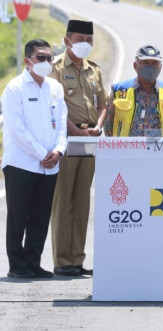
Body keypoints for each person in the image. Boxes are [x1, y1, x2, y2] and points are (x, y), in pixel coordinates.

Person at [1, 39, 68, 278]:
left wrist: (58, 150)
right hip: (21, 163)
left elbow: (62, 124)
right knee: (19, 217)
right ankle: (17, 267)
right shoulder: (15, 88)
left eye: (50, 58)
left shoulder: (55, 88)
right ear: (28, 61)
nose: (46, 62)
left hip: (50, 166)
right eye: (41, 57)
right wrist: (42, 154)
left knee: (40, 217)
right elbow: (17, 130)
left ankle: (33, 263)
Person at [49, 19, 107, 277]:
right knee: (63, 201)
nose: (85, 44)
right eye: (80, 39)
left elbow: (105, 103)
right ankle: (62, 261)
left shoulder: (94, 70)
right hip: (67, 139)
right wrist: (79, 132)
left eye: (89, 40)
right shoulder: (56, 68)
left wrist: (98, 127)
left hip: (90, 140)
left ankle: (77, 258)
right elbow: (56, 110)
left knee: (82, 201)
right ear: (67, 40)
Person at [104, 45, 163, 137]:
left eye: (154, 63)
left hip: (159, 150)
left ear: (160, 67)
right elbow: (108, 128)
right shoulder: (119, 91)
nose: (150, 67)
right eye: (145, 62)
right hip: (126, 149)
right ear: (135, 66)